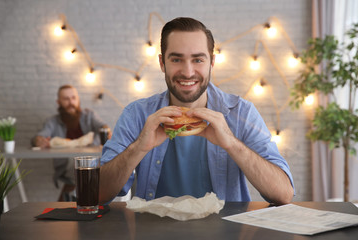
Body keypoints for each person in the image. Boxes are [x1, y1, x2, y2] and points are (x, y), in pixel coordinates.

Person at [99, 17, 294, 204]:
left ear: (212, 62)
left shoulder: (241, 112)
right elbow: (97, 195)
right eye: (176, 59)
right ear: (162, 63)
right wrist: (139, 147)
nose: (188, 72)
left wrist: (232, 144)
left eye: (198, 60)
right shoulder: (137, 114)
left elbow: (284, 193)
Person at [33, 84, 111, 201]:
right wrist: (38, 140)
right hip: (67, 165)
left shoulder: (89, 115)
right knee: (82, 168)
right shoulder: (52, 122)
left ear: (78, 99)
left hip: (93, 160)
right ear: (58, 102)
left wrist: (107, 130)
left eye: (73, 98)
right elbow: (39, 137)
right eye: (66, 99)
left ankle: (73, 200)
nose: (71, 102)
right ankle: (79, 201)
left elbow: (102, 126)